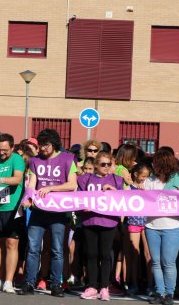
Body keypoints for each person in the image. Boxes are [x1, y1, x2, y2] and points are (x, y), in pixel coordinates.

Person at [18, 129, 78, 298]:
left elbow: (72, 184)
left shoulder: (67, 159)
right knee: (33, 248)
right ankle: (29, 283)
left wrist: (51, 188)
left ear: (54, 144)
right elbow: (32, 185)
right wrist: (28, 197)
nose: (42, 148)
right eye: (41, 145)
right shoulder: (35, 161)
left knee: (57, 250)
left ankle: (56, 284)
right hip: (38, 211)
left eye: (46, 145)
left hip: (59, 211)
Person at [78, 151, 124, 301]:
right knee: (91, 254)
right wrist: (82, 206)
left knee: (105, 254)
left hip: (108, 221)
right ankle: (92, 286)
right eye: (103, 164)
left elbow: (124, 199)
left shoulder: (117, 180)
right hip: (90, 220)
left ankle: (104, 286)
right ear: (96, 165)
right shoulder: (86, 179)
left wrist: (114, 191)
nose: (106, 167)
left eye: (108, 164)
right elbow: (77, 197)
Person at [145, 148, 179, 305]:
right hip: (152, 226)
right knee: (156, 261)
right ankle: (160, 293)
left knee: (168, 262)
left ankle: (169, 294)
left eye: (155, 163)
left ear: (163, 164)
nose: (152, 165)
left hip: (172, 226)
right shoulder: (149, 181)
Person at [0, 133, 25, 294]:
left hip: (12, 208)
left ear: (12, 148)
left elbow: (17, 179)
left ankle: (9, 281)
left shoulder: (17, 159)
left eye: (5, 150)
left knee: (11, 243)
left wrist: (0, 180)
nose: (2, 153)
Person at [126, 162, 153, 296]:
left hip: (148, 222)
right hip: (133, 222)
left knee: (148, 255)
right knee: (134, 254)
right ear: (136, 174)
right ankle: (134, 284)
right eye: (143, 176)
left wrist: (146, 191)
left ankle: (150, 285)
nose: (145, 179)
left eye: (147, 176)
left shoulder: (149, 187)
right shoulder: (128, 188)